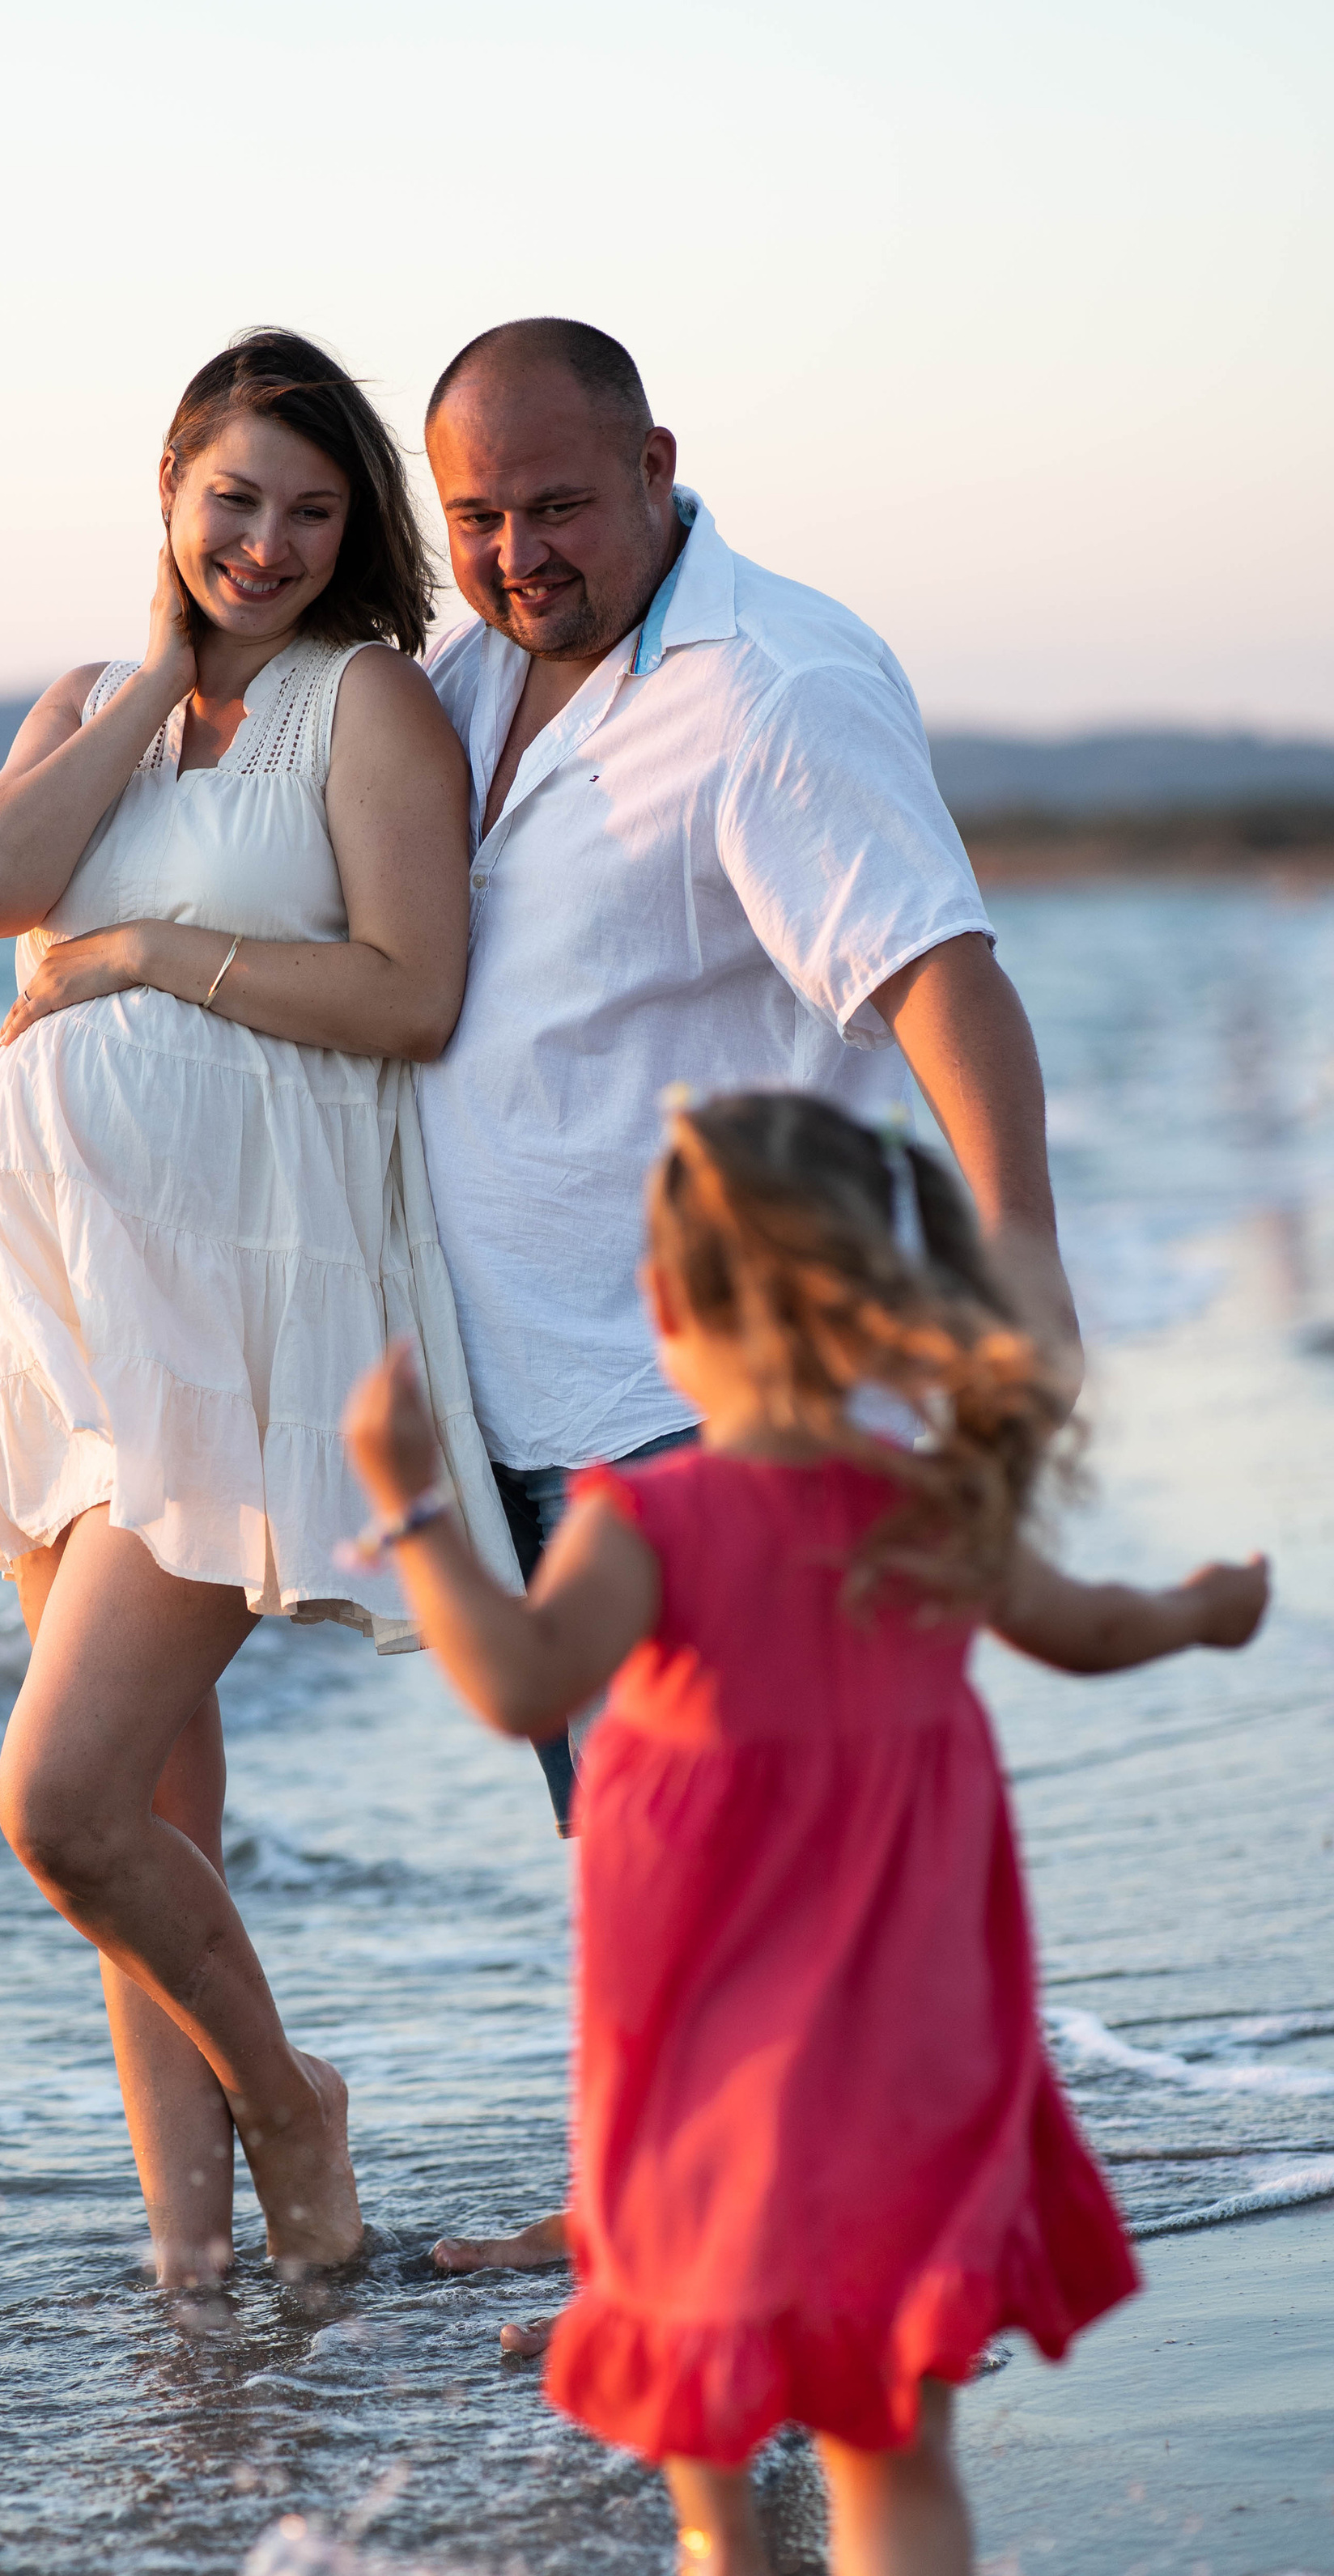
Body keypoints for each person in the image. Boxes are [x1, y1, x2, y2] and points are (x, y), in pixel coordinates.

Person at [343, 1088, 1268, 2576]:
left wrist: (414, 1507)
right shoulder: (927, 1505)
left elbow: (515, 1679)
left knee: (676, 2275)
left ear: (667, 1310)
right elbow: (1083, 1627)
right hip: (915, 2028)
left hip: (701, 2022)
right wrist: (1198, 1610)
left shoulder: (646, 1515)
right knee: (892, 2427)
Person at [413, 312, 1081, 2311]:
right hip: (524, 1393)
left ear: (654, 466)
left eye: (552, 507)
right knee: (639, 1856)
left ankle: (780, 2269)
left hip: (700, 1393)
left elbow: (936, 973)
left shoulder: (770, 684)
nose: (516, 554)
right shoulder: (467, 677)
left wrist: (1019, 1264)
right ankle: (670, 2211)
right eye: (473, 519)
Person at [0, 330, 516, 2294]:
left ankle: (287, 2104)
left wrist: (136, 952)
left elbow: (409, 995)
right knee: (153, 1803)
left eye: (310, 511)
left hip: (245, 1312)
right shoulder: (93, 702)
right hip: (59, 1315)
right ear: (170, 497)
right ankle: (195, 2279)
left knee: (62, 1801)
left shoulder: (366, 703)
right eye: (232, 501)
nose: (265, 543)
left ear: (353, 531)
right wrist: (140, 688)